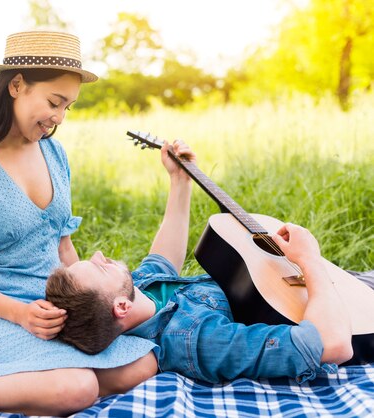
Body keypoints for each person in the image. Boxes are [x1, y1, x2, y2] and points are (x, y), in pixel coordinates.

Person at [0, 30, 157, 416]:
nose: (59, 117)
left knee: (144, 363)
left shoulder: (54, 153)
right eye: (55, 102)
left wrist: (90, 303)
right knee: (78, 386)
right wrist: (21, 314)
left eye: (68, 107)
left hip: (55, 307)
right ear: (16, 85)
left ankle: (33, 385)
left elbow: (64, 247)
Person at [46, 139, 354, 384]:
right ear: (121, 308)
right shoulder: (197, 338)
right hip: (331, 307)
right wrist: (310, 260)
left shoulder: (141, 288)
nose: (99, 254)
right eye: (99, 267)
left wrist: (180, 180)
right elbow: (333, 345)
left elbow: (163, 257)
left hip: (315, 287)